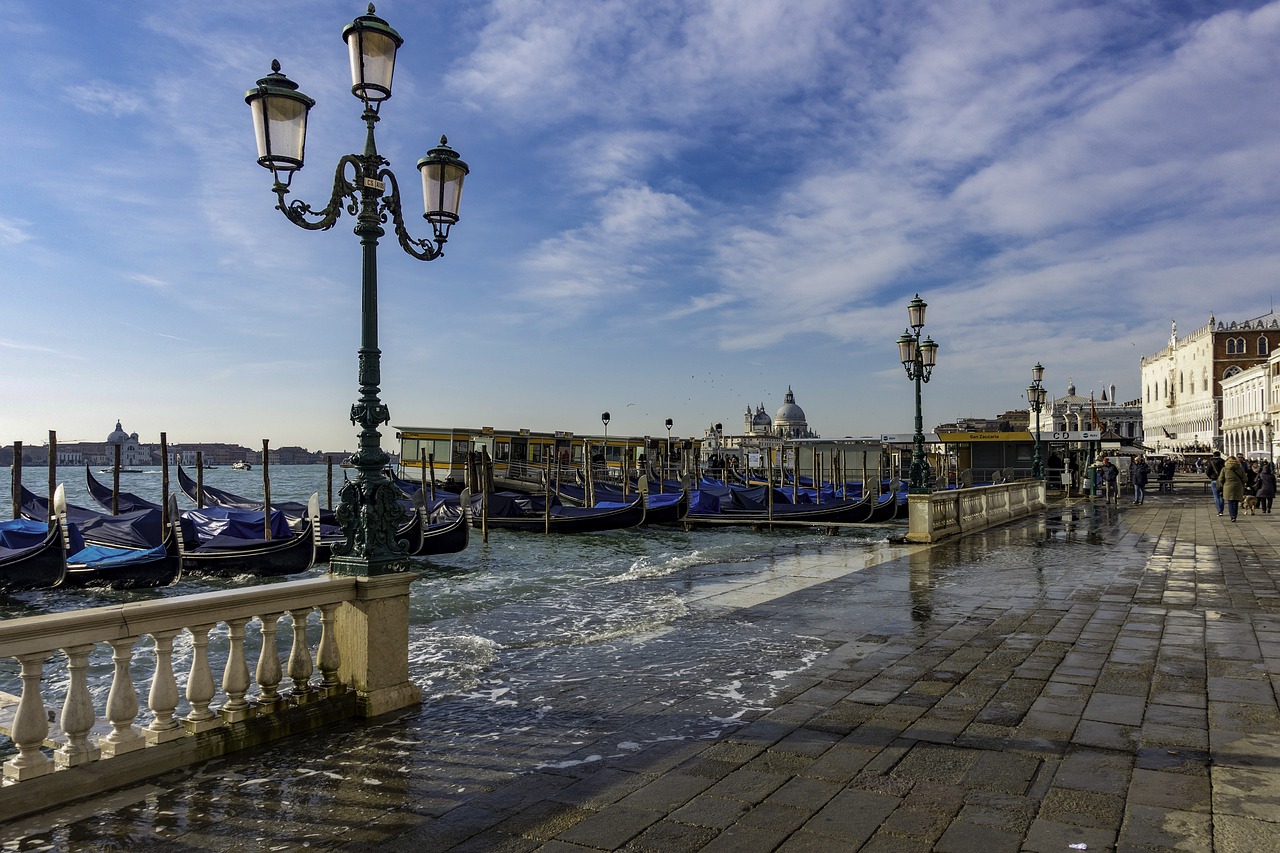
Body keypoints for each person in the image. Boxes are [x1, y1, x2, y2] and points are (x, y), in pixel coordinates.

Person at [1218, 454, 1247, 522]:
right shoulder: (1240, 469)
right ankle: (1235, 515)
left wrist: (1223, 484)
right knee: (1236, 502)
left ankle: (1232, 516)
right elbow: (1245, 478)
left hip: (1228, 487)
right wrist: (1241, 483)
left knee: (1230, 502)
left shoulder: (1224, 469)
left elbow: (1220, 479)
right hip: (1238, 487)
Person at [1205, 451, 1226, 515]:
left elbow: (1207, 472)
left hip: (1214, 480)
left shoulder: (1211, 462)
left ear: (1213, 455)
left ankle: (1219, 511)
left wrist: (1211, 477)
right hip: (1222, 480)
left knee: (1216, 496)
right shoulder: (1224, 462)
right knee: (1221, 496)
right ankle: (1221, 509)